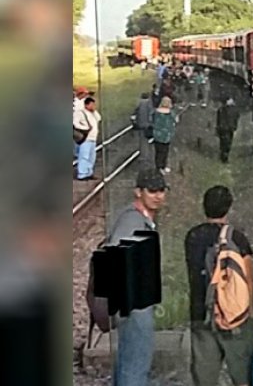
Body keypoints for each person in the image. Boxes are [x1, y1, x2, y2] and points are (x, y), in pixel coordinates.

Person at [185, 186, 253, 386]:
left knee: (205, 379)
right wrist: (250, 313)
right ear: (228, 208)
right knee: (243, 376)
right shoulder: (237, 239)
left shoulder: (192, 237)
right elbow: (249, 279)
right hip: (234, 316)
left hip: (201, 313)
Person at [108, 169, 168, 385]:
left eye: (161, 190)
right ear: (138, 192)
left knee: (129, 362)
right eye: (152, 191)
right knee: (136, 365)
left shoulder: (140, 220)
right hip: (135, 306)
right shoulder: (132, 221)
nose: (158, 195)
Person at [74, 97, 102, 181]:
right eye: (92, 104)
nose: (93, 106)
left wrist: (94, 111)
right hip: (85, 138)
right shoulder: (80, 113)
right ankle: (82, 174)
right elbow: (75, 123)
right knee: (84, 156)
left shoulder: (92, 113)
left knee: (91, 157)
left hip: (93, 138)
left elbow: (99, 118)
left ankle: (89, 172)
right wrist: (85, 128)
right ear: (86, 104)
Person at [152, 96, 178, 174]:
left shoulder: (156, 112)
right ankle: (162, 166)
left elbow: (152, 120)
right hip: (166, 135)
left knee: (158, 152)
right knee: (164, 151)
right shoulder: (171, 113)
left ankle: (158, 166)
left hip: (157, 134)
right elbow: (176, 121)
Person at [131, 92, 155, 168]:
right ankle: (148, 157)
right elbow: (151, 113)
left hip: (141, 125)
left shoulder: (139, 104)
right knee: (149, 142)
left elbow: (134, 113)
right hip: (148, 125)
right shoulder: (149, 104)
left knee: (142, 142)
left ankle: (143, 156)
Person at [216, 97, 239, 163]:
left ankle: (224, 155)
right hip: (224, 128)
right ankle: (224, 157)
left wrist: (234, 127)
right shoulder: (222, 109)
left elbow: (236, 118)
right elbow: (219, 120)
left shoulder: (233, 110)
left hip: (229, 128)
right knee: (225, 143)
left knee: (227, 143)